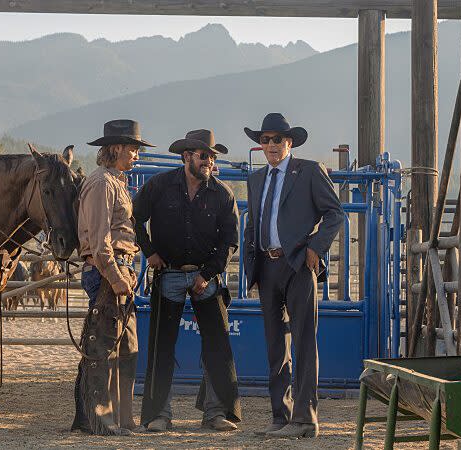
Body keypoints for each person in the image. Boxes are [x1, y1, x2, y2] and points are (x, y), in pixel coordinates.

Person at [243, 113, 344, 438]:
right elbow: (252, 225)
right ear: (261, 145)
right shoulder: (256, 179)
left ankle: (305, 418)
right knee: (275, 345)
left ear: (290, 142)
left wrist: (315, 249)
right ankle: (281, 416)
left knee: (302, 340)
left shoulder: (310, 172)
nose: (271, 145)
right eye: (265, 140)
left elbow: (335, 213)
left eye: (277, 139)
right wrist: (252, 269)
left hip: (299, 264)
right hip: (266, 266)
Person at [134, 129, 241, 433]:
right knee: (161, 346)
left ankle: (216, 413)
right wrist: (150, 251)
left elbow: (229, 242)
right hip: (168, 272)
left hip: (205, 275)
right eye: (203, 155)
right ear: (186, 157)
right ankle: (159, 414)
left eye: (211, 156)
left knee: (217, 345)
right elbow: (135, 216)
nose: (209, 160)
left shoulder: (223, 193)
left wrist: (208, 274)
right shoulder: (159, 186)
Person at [71, 119, 154, 436]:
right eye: (133, 148)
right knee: (105, 345)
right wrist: (117, 277)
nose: (136, 154)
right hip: (110, 272)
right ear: (116, 148)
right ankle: (101, 419)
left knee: (125, 346)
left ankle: (122, 418)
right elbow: (100, 238)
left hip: (119, 270)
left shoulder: (113, 182)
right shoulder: (103, 184)